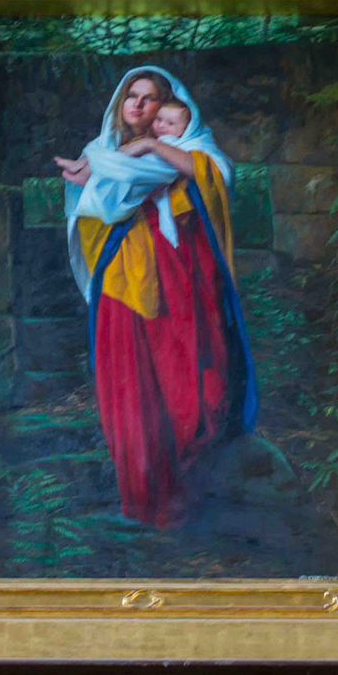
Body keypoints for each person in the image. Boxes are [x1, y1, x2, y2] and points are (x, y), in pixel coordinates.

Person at [52, 66, 257, 529]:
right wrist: (111, 173)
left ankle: (188, 496)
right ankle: (142, 498)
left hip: (177, 280)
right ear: (120, 103)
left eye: (150, 98)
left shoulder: (189, 146)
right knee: (128, 381)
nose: (139, 105)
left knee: (185, 375)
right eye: (132, 95)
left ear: (168, 107)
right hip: (122, 279)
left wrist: (150, 148)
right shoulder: (101, 151)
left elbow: (215, 174)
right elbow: (92, 207)